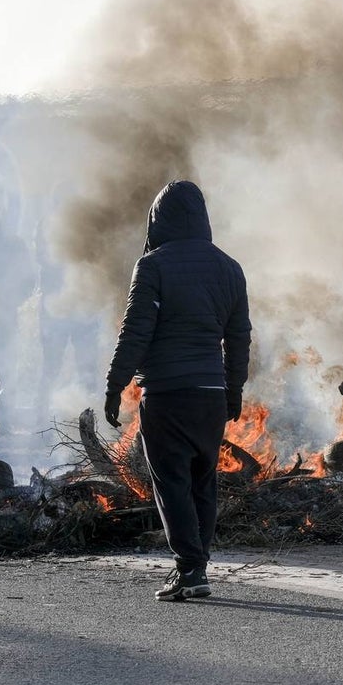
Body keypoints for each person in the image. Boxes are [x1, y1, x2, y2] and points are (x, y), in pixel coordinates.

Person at [104, 180, 250, 601]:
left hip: (167, 394)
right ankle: (197, 566)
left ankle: (189, 570)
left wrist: (115, 385)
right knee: (203, 480)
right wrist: (233, 389)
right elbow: (239, 338)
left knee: (171, 482)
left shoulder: (152, 266)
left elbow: (135, 332)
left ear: (157, 220)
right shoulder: (229, 268)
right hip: (210, 393)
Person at [34, 191, 99, 423]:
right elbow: (45, 259)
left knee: (86, 368)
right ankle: (42, 418)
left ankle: (89, 420)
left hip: (83, 307)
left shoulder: (88, 223)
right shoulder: (48, 226)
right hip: (57, 308)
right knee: (52, 366)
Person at [0, 191, 35, 435]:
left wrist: (11, 299)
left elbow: (28, 278)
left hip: (4, 315)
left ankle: (4, 421)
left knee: (7, 371)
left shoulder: (13, 243)